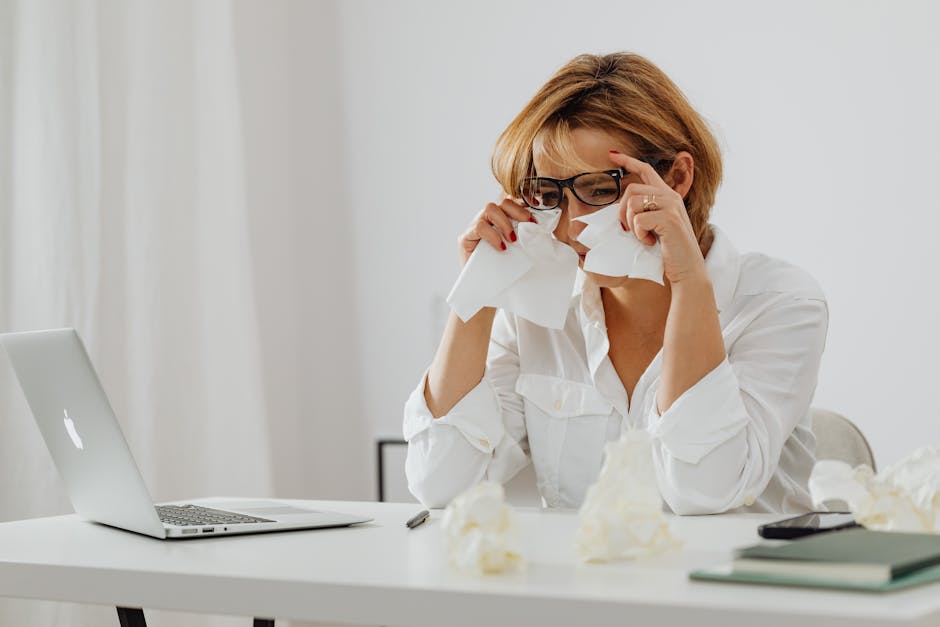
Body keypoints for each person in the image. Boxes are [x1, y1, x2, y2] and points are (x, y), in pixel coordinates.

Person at [402, 52, 827, 514]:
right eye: (549, 195)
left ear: (678, 177)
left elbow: (702, 490)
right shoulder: (539, 313)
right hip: (591, 584)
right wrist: (478, 291)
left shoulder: (779, 303)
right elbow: (440, 483)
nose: (571, 227)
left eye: (600, 189)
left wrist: (688, 283)